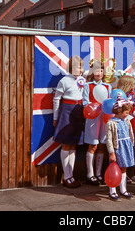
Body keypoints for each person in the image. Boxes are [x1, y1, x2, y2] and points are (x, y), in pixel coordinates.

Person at [52, 56, 86, 188]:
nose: (81, 70)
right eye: (79, 67)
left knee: (74, 144)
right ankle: (66, 177)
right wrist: (55, 117)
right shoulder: (64, 80)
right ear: (71, 68)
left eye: (82, 67)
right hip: (67, 111)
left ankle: (71, 176)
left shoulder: (82, 80)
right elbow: (56, 99)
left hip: (79, 111)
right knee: (66, 144)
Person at [83, 59, 112, 186]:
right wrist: (93, 106)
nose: (98, 73)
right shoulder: (87, 85)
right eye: (96, 70)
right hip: (93, 119)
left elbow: (109, 102)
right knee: (93, 145)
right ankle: (90, 174)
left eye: (101, 70)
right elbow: (84, 102)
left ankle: (99, 173)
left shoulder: (107, 86)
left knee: (101, 145)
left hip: (104, 118)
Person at [105, 94, 135, 201]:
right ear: (119, 111)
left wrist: (131, 145)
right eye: (126, 112)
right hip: (118, 148)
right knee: (114, 168)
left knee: (124, 168)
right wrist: (112, 152)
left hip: (126, 147)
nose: (128, 115)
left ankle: (123, 189)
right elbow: (108, 139)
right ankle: (112, 191)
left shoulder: (126, 121)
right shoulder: (111, 123)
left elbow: (130, 134)